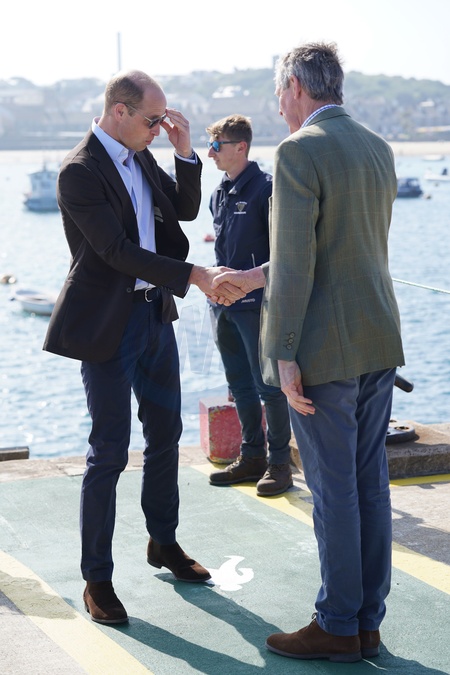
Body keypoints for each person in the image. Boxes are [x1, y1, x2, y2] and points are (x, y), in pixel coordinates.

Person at [211, 42, 404, 662]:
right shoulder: (377, 147)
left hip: (324, 348)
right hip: (379, 336)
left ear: (295, 86)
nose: (279, 107)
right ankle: (366, 622)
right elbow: (339, 250)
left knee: (333, 490)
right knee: (370, 486)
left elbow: (298, 264)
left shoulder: (298, 151)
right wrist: (255, 276)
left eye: (279, 94)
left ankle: (337, 623)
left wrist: (283, 356)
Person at [43, 70, 243, 625]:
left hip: (155, 315)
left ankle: (163, 541)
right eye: (153, 120)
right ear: (120, 111)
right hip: (107, 326)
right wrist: (196, 274)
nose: (159, 127)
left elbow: (184, 209)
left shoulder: (142, 155)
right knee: (108, 451)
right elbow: (114, 251)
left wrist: (184, 152)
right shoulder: (79, 171)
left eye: (163, 120)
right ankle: (97, 579)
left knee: (166, 435)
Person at [205, 115, 292, 496]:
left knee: (269, 387)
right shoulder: (218, 193)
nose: (211, 153)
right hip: (224, 305)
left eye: (217, 146)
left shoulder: (267, 190)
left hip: (258, 306)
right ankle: (252, 456)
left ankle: (280, 465)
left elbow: (283, 254)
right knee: (238, 385)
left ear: (241, 147)